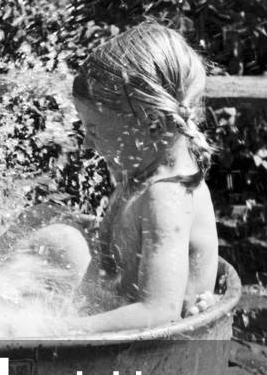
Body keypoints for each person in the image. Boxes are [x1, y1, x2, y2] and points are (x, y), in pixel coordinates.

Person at [12, 21, 220, 334]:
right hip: (113, 305)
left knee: (57, 240)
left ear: (150, 124)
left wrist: (63, 329)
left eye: (94, 129)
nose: (86, 143)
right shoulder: (142, 171)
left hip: (145, 351)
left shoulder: (166, 198)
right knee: (45, 224)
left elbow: (160, 312)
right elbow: (110, 258)